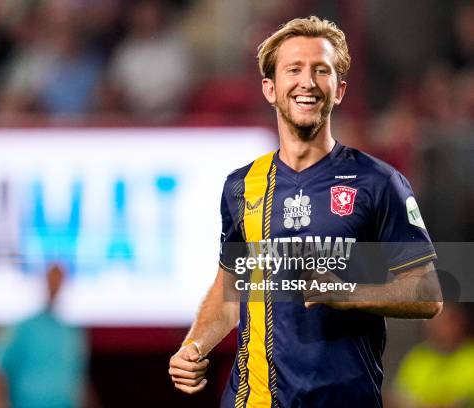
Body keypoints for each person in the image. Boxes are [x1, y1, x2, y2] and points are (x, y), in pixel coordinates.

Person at [168, 16, 443, 407]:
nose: (307, 82)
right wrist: (194, 345)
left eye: (321, 70)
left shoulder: (379, 183)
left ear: (340, 89)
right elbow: (231, 289)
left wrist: (345, 292)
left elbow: (427, 293)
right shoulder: (241, 186)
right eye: (293, 69)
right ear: (270, 88)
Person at [0, 263, 90, 408]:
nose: (55, 286)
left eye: (59, 280)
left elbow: (78, 382)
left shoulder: (72, 332)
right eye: (51, 279)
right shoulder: (18, 326)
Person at [392, 303, 474, 407]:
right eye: (433, 322)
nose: (437, 328)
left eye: (444, 322)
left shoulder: (471, 356)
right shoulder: (418, 357)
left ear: (459, 322)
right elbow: (397, 399)